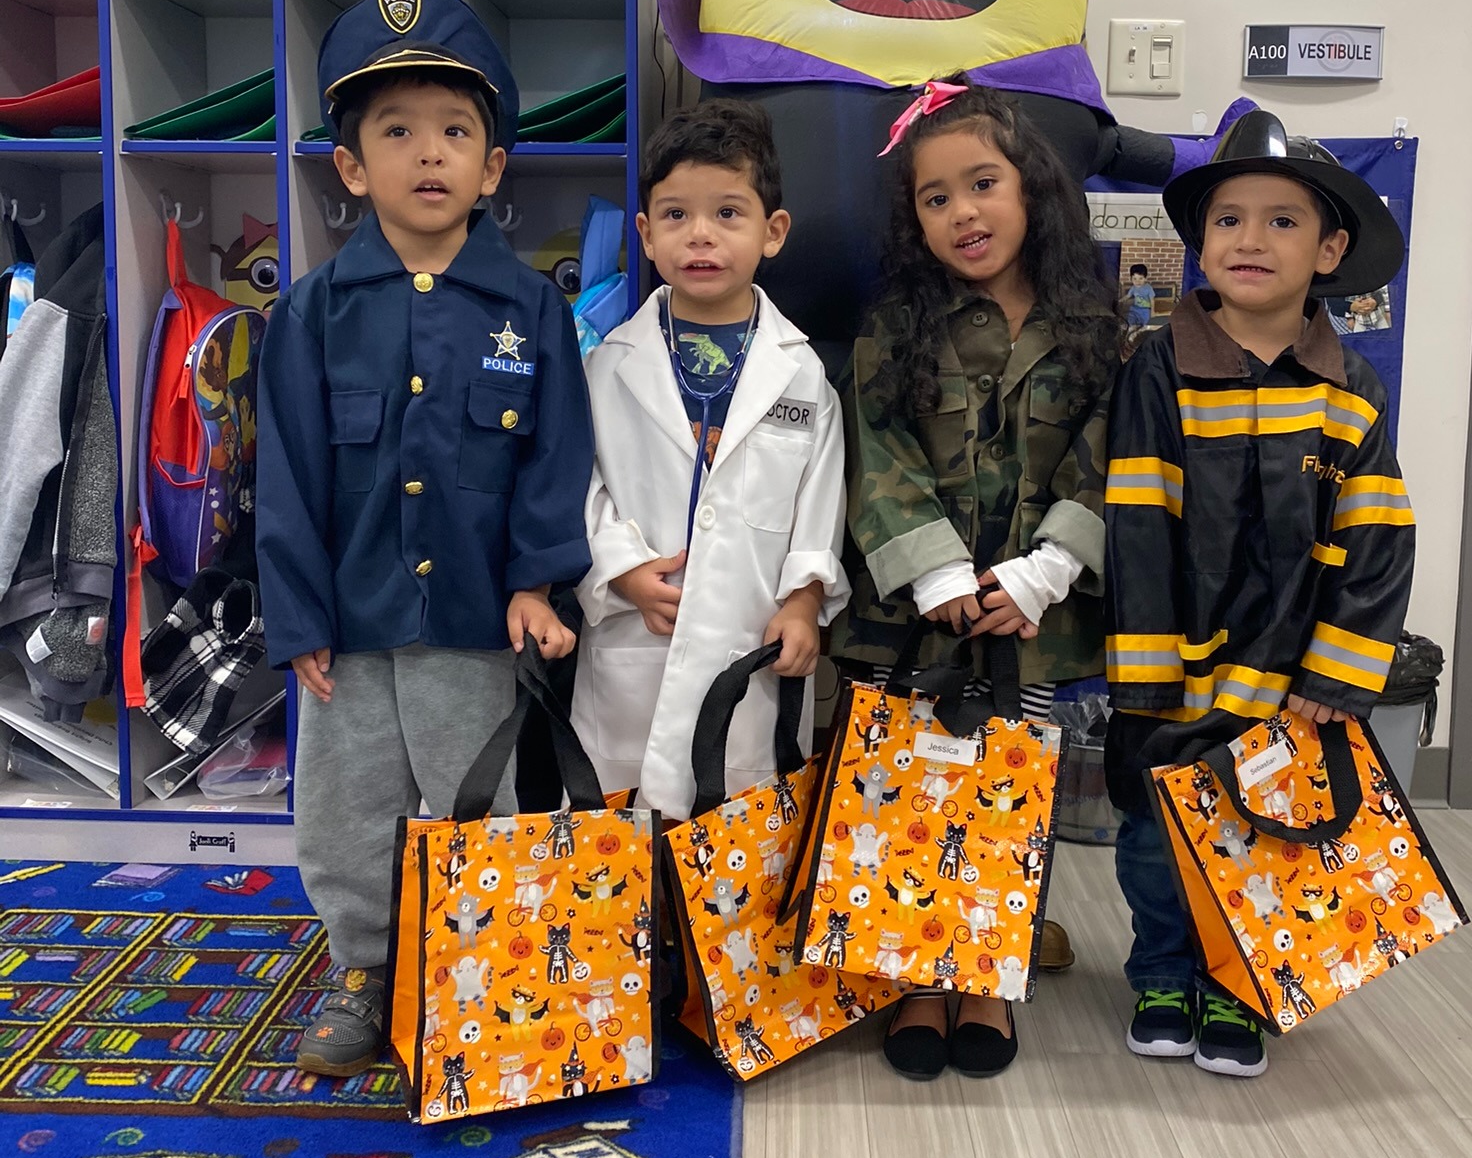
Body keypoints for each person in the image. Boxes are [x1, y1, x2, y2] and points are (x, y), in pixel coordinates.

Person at [255, 0, 594, 1076]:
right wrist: (298, 612)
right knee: (349, 811)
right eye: (395, 132)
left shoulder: (531, 309)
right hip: (349, 626)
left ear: (494, 166)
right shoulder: (312, 310)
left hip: (473, 618)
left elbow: (555, 455)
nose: (429, 155)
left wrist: (540, 580)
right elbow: (291, 472)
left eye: (456, 131)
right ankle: (361, 967)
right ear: (352, 167)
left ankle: (478, 965)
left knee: (475, 802)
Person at [1104, 110, 1413, 1078]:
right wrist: (1146, 678)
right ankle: (1161, 970)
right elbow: (1139, 521)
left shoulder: (1348, 389)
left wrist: (1336, 672)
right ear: (1198, 243)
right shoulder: (1158, 368)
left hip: (1290, 674)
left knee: (1262, 836)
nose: (1249, 238)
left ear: (1330, 250)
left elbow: (1377, 539)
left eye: (1282, 222)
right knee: (1156, 835)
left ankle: (1239, 979)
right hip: (1176, 664)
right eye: (1229, 218)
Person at [835, 80, 1120, 1080]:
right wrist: (935, 571)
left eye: (983, 184)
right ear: (913, 220)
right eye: (936, 197)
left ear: (1031, 190)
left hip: (1035, 618)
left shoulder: (1093, 326)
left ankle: (988, 976)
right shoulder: (896, 327)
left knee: (1014, 792)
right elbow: (874, 450)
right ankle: (918, 973)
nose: (964, 212)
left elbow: (1112, 453)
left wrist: (1047, 569)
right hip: (921, 621)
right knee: (915, 790)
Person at [571, 99, 849, 820]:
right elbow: (581, 483)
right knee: (618, 871)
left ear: (773, 231)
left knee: (733, 859)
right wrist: (620, 569)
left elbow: (821, 503)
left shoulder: (801, 374)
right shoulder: (608, 366)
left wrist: (804, 601)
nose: (700, 235)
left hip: (746, 645)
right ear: (646, 235)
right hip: (636, 646)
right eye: (675, 216)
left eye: (728, 213)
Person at [1126, 263, 1156, 328]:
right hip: (1135, 308)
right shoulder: (1133, 287)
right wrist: (1120, 301)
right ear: (1131, 279)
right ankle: (1131, 331)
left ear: (1145, 278)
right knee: (1130, 321)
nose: (1138, 281)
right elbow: (1128, 296)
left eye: (1141, 278)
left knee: (1144, 324)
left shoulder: (1148, 288)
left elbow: (1152, 300)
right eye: (1135, 279)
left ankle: (1142, 332)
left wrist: (1152, 311)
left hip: (1145, 310)